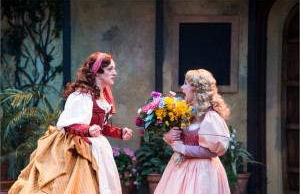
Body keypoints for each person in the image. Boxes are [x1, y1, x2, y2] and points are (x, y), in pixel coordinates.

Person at [9, 52, 133, 194]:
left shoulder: (103, 96)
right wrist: (87, 131)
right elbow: (68, 125)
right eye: (110, 69)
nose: (115, 73)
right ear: (97, 72)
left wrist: (120, 133)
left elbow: (100, 127)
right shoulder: (81, 95)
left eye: (114, 69)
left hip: (97, 146)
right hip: (77, 147)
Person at [154, 69, 231, 194]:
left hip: (202, 172)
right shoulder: (185, 111)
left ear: (196, 89)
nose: (182, 88)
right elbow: (177, 140)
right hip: (179, 169)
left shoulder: (211, 117)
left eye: (185, 83)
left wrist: (184, 149)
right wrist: (169, 135)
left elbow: (212, 152)